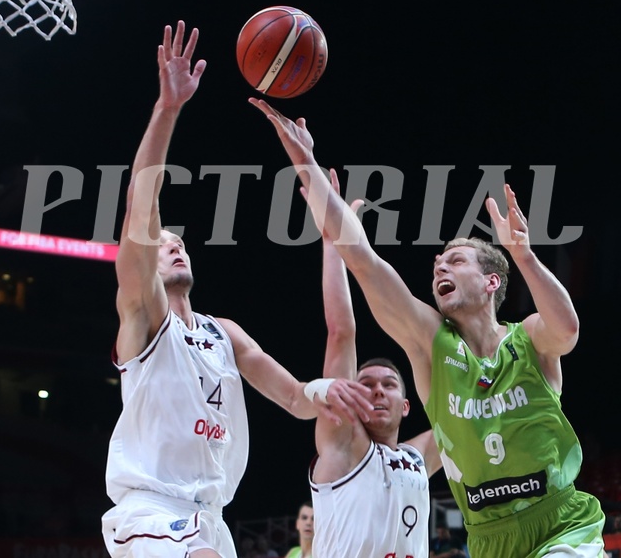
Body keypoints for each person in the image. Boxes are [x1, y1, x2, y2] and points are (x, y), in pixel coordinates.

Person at [249, 97, 606, 558]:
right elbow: (363, 259)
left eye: (455, 260)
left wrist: (525, 255)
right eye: (437, 262)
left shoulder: (530, 338)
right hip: (488, 537)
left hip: (559, 522)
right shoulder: (430, 340)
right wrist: (306, 162)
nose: (440, 265)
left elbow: (568, 330)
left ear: (491, 281)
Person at [100, 21, 374, 558]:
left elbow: (295, 399)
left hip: (209, 518)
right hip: (151, 509)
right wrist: (169, 107)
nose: (173, 247)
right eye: (161, 243)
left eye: (180, 242)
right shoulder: (143, 320)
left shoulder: (224, 333)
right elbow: (141, 206)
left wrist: (325, 391)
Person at [307, 170, 441, 558]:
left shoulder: (418, 456)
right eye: (365, 383)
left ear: (406, 405)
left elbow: (463, 405)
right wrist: (333, 242)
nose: (377, 389)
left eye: (389, 385)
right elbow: (341, 331)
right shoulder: (342, 441)